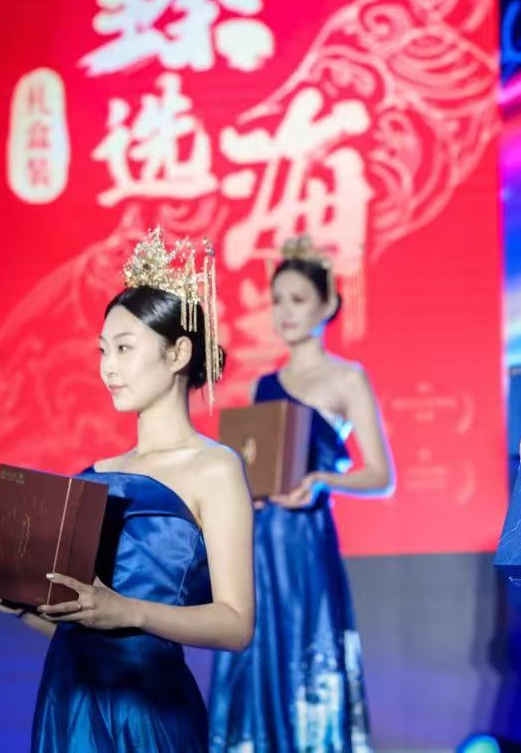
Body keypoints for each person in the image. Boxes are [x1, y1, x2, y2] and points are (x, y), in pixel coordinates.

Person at [0, 227, 254, 752]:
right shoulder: (91, 476)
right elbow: (84, 624)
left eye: (125, 348)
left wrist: (129, 611)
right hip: (66, 701)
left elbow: (236, 625)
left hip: (146, 707)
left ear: (178, 353)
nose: (108, 367)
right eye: (103, 350)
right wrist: (24, 605)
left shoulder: (215, 468)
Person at [209, 235, 395, 753]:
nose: (285, 311)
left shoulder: (347, 379)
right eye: (277, 300)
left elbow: (380, 475)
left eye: (298, 299)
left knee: (305, 646)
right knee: (257, 650)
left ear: (327, 304)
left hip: (305, 541)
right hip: (258, 542)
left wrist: (322, 481)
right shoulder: (263, 385)